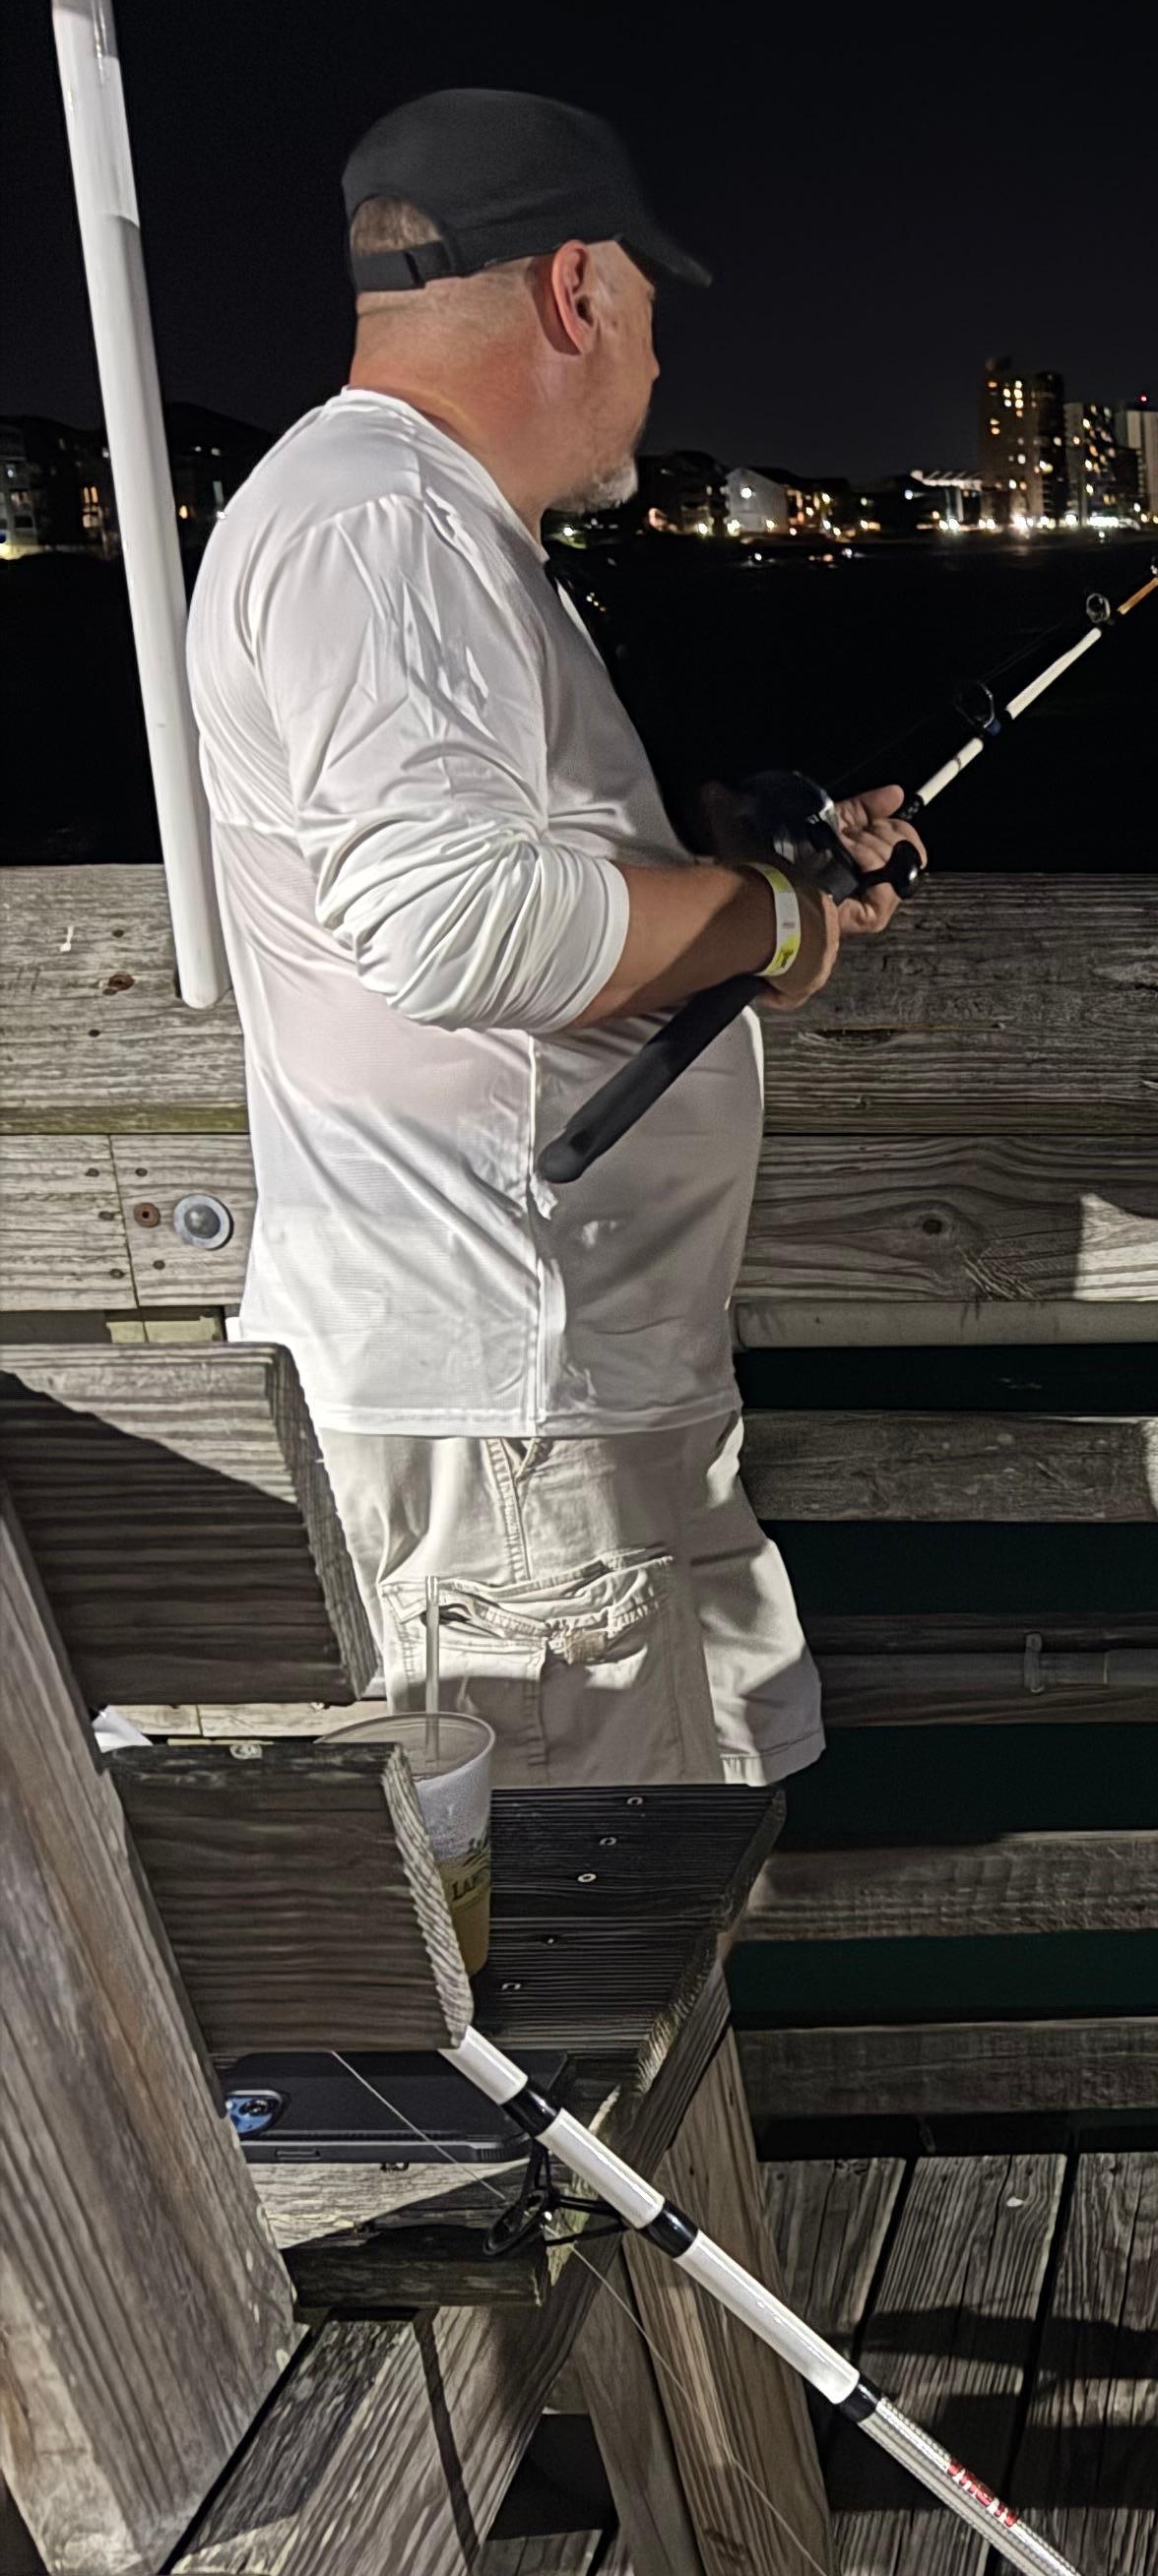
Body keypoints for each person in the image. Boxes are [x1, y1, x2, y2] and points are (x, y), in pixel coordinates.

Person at [189, 88, 920, 1786]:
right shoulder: (387, 524)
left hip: (564, 1397)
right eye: (653, 316)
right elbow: (454, 924)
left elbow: (503, 878)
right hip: (506, 1417)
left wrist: (730, 865)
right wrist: (783, 924)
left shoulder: (413, 523)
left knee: (671, 1880)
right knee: (559, 1979)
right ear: (579, 291)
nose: (658, 372)